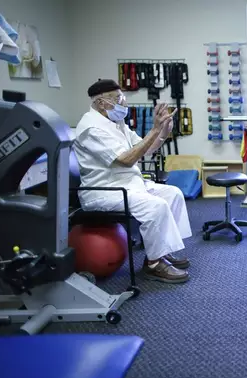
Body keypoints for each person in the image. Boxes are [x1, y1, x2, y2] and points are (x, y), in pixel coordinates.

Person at [73, 79, 192, 284]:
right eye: (118, 98)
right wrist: (154, 129)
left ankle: (161, 252)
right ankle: (154, 264)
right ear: (101, 103)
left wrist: (164, 130)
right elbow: (127, 160)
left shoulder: (116, 123)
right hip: (104, 191)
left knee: (173, 193)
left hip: (129, 184)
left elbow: (145, 149)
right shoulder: (90, 128)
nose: (123, 102)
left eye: (122, 97)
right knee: (156, 206)